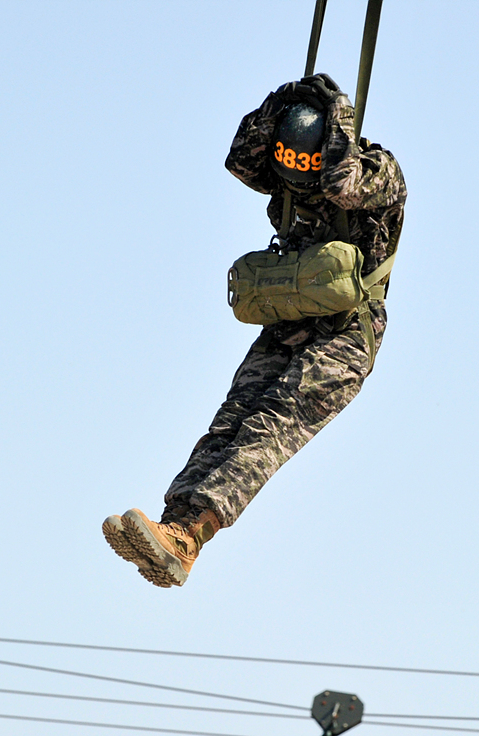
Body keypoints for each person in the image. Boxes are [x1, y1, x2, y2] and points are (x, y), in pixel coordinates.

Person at [103, 73, 406, 587]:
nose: (295, 182)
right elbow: (240, 159)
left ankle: (192, 534)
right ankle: (173, 529)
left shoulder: (378, 173)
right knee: (231, 421)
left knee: (268, 425)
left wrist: (333, 112)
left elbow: (341, 183)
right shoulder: (289, 169)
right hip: (291, 322)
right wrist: (281, 102)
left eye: (303, 169)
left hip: (346, 338)